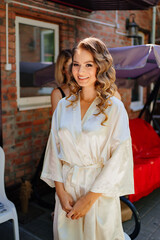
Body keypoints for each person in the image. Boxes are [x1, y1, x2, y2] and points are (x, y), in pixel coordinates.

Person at [41, 37, 134, 240]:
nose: (80, 72)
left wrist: (89, 199)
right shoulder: (64, 107)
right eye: (76, 64)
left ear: (100, 66)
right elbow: (54, 150)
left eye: (88, 65)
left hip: (98, 194)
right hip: (67, 193)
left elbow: (120, 157)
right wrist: (61, 193)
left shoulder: (114, 108)